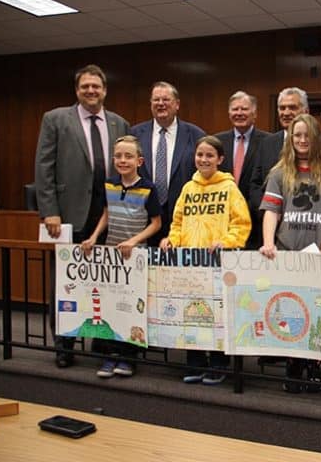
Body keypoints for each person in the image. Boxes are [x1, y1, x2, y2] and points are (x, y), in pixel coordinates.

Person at [35, 63, 130, 368]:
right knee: (66, 283)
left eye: (96, 86)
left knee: (106, 283)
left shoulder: (119, 123)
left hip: (109, 218)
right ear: (77, 90)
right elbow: (44, 167)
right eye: (85, 86)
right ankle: (65, 344)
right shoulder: (55, 119)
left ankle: (103, 343)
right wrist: (49, 211)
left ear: (105, 90)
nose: (91, 91)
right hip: (67, 217)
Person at [258, 113, 321, 393]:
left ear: (316, 139)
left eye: (306, 135)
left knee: (318, 313)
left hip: (319, 256)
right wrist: (268, 242)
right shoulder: (279, 173)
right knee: (290, 311)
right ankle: (293, 366)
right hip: (288, 254)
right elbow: (271, 211)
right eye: (296, 135)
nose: (301, 140)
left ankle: (314, 367)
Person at [160, 135, 251, 385]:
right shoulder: (188, 189)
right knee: (193, 314)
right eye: (200, 154)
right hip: (190, 264)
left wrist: (228, 241)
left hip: (218, 264)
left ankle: (219, 363)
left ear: (220, 159)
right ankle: (196, 362)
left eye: (210, 155)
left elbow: (242, 224)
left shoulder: (229, 188)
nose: (204, 159)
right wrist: (172, 240)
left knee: (218, 316)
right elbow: (177, 222)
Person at [81, 135, 162, 378]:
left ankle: (128, 358)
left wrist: (134, 241)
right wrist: (95, 236)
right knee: (109, 307)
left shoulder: (149, 187)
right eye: (118, 156)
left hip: (135, 256)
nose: (123, 160)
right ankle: (109, 356)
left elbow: (156, 223)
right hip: (111, 254)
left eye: (128, 156)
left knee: (131, 307)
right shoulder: (108, 184)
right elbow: (106, 213)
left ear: (139, 160)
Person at [131, 81, 205, 246]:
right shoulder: (135, 134)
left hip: (184, 219)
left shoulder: (196, 135)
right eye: (156, 100)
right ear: (150, 104)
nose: (161, 104)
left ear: (177, 104)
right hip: (143, 219)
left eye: (166, 99)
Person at [249, 87, 321, 215]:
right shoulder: (266, 143)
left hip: (304, 219)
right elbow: (255, 184)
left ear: (306, 111)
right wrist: (269, 210)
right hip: (269, 221)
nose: (286, 112)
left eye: (292, 107)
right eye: (282, 108)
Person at [215, 91, 269, 248]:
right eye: (235, 109)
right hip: (223, 220)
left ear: (255, 113)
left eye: (244, 109)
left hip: (256, 220)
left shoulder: (268, 142)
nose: (239, 113)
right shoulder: (217, 141)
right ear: (229, 113)